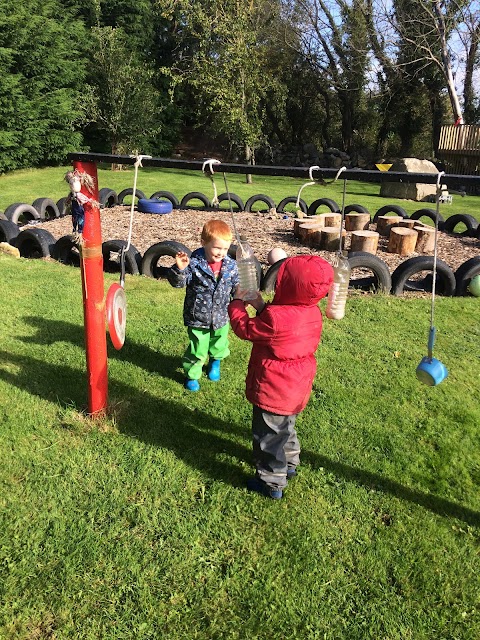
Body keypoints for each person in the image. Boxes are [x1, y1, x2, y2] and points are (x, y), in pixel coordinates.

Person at [228, 255, 334, 499]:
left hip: (273, 389)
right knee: (286, 426)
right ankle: (290, 463)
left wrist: (237, 304)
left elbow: (245, 329)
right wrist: (260, 305)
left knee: (267, 438)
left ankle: (272, 481)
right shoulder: (312, 312)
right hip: (296, 389)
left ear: (286, 285)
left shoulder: (275, 319)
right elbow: (283, 324)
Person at [168, 219, 239, 391]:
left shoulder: (230, 265)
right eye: (217, 248)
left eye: (225, 248)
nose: (221, 252)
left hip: (221, 316)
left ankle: (215, 363)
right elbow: (179, 283)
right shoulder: (193, 264)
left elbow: (236, 285)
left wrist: (240, 297)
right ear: (204, 243)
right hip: (198, 317)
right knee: (198, 349)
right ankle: (192, 375)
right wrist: (180, 270)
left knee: (219, 344)